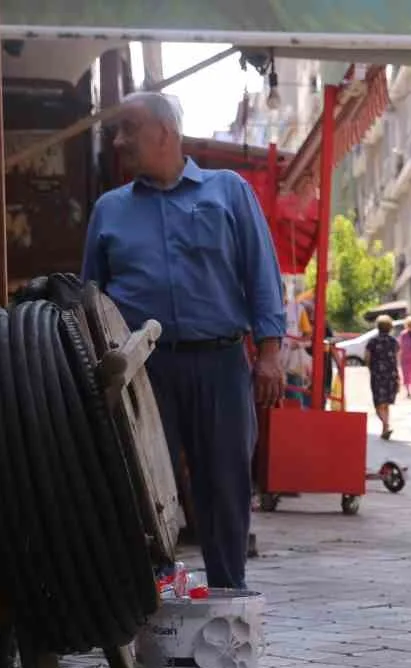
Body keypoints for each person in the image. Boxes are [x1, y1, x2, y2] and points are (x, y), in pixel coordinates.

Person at [82, 92, 284, 592]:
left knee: (225, 485)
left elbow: (262, 272)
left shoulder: (228, 191)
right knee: (143, 487)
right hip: (144, 373)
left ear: (165, 133)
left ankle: (226, 597)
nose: (119, 140)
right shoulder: (110, 210)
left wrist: (271, 352)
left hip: (220, 364)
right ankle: (152, 600)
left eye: (128, 128)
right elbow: (89, 300)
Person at [366, 315, 401, 440]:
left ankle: (385, 425)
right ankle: (385, 428)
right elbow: (396, 359)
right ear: (390, 327)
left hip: (377, 374)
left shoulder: (372, 341)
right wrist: (398, 377)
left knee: (378, 403)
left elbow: (367, 358)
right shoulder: (394, 341)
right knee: (386, 403)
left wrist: (371, 368)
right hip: (391, 374)